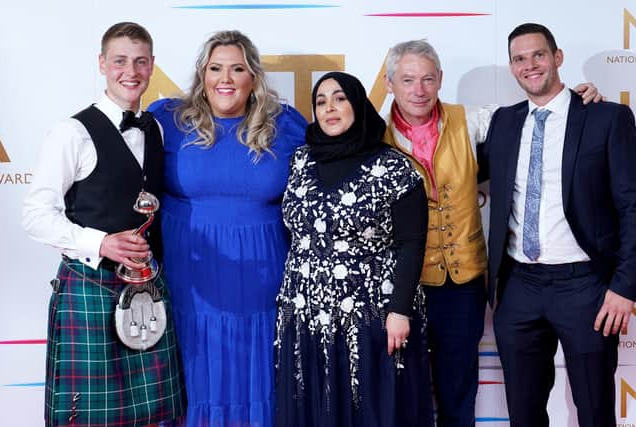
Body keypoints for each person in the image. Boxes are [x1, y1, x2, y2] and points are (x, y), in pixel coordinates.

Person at [382, 39, 602, 427]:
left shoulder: (476, 119)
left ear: (440, 81)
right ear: (389, 84)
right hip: (401, 287)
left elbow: (539, 113)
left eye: (428, 79)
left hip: (462, 283)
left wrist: (581, 98)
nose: (419, 90)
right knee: (401, 391)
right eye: (408, 80)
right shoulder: (371, 136)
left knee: (459, 391)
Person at [21, 22, 184, 426]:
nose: (131, 71)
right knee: (91, 417)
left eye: (140, 61)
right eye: (120, 61)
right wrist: (100, 243)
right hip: (90, 288)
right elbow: (36, 215)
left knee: (152, 413)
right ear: (101, 64)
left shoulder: (157, 128)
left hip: (148, 290)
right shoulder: (72, 132)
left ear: (152, 66)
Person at [478, 22, 636, 427]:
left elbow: (632, 205)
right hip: (518, 288)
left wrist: (624, 286)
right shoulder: (503, 123)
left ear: (557, 57)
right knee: (524, 414)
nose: (529, 65)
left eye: (538, 55)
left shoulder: (608, 118)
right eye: (519, 59)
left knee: (595, 409)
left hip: (586, 286)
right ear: (512, 68)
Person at [147, 30, 307, 426]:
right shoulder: (167, 119)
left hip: (262, 278)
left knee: (257, 372)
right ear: (202, 75)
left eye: (238, 69)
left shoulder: (285, 125)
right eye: (216, 68)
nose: (226, 78)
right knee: (196, 369)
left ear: (254, 77)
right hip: (189, 277)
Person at [275, 71, 434, 427]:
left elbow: (412, 243)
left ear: (358, 104)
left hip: (373, 316)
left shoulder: (392, 166)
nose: (329, 108)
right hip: (306, 313)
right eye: (321, 101)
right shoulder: (300, 161)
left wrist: (400, 310)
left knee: (371, 409)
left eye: (340, 98)